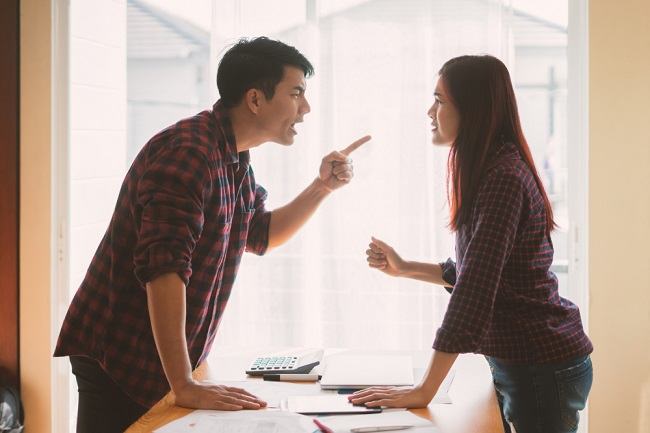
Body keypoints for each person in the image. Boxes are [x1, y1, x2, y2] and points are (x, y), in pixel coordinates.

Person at [54, 36, 370, 433]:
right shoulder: (189, 152)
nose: (305, 109)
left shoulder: (233, 155)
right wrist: (184, 382)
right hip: (120, 354)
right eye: (296, 93)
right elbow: (163, 267)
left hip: (162, 361)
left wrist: (321, 187)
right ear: (255, 99)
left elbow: (260, 235)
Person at [350, 55, 592, 433]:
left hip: (540, 364)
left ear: (474, 110)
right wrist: (403, 267)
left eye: (440, 100)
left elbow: (476, 290)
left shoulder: (503, 178)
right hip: (522, 360)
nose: (430, 111)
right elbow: (476, 272)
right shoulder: (489, 169)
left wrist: (423, 389)